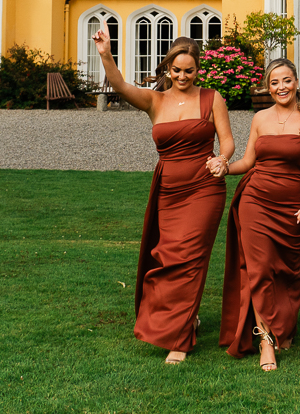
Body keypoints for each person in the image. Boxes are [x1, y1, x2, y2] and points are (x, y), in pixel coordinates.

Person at [91, 30, 232, 364]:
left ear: (199, 70)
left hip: (204, 188)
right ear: (168, 68)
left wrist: (223, 160)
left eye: (189, 70)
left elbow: (227, 140)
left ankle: (181, 338)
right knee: (167, 257)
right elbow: (121, 86)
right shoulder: (154, 101)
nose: (183, 76)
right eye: (177, 70)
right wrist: (106, 54)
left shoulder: (213, 99)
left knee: (190, 257)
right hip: (169, 190)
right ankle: (185, 317)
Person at [219, 59, 300, 372]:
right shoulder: (260, 118)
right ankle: (265, 340)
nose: (281, 87)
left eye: (286, 81)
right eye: (274, 82)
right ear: (268, 86)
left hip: (292, 203)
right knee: (260, 269)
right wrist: (225, 166)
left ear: (296, 82)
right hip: (256, 199)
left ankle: (283, 327)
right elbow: (248, 161)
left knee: (287, 271)